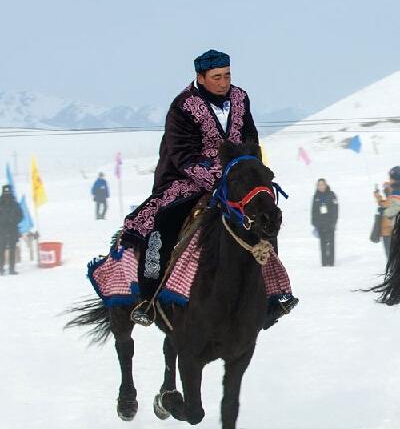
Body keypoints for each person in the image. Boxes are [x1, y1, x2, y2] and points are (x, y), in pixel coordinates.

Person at [121, 49, 297, 325]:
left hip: (235, 177)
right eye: (216, 77)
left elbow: (250, 137)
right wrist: (217, 178)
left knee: (266, 213)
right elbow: (181, 154)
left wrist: (250, 169)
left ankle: (270, 294)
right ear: (200, 78)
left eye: (227, 75)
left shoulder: (240, 97)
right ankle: (150, 298)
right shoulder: (182, 107)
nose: (224, 82)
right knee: (162, 225)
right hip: (187, 179)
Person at [374, 166, 400, 258]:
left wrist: (378, 197)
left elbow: (387, 205)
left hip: (390, 225)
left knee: (391, 253)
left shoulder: (392, 189)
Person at [311, 178, 338, 266]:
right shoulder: (316, 196)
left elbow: (335, 210)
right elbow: (313, 210)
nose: (321, 186)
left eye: (322, 184)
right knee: (322, 244)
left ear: (326, 185)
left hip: (330, 223)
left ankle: (331, 262)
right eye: (319, 185)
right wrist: (314, 222)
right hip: (320, 224)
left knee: (330, 243)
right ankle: (324, 262)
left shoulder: (331, 194)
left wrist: (333, 221)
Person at [0, 185, 22, 275]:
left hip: (13, 229)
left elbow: (20, 216)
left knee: (12, 249)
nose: (7, 194)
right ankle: (1, 269)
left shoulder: (15, 204)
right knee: (1, 249)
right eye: (5, 192)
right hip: (1, 230)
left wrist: (14, 220)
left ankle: (11, 269)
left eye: (8, 192)